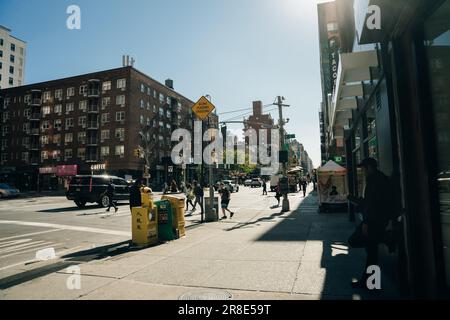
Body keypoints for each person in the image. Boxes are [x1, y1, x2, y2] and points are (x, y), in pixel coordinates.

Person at [348, 157, 393, 289]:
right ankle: (371, 283)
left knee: (360, 245)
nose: (362, 170)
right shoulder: (379, 178)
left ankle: (386, 237)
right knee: (371, 252)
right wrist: (357, 202)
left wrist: (366, 222)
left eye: (363, 168)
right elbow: (370, 202)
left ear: (369, 167)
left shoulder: (375, 181)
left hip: (374, 221)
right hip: (379, 220)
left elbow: (374, 205)